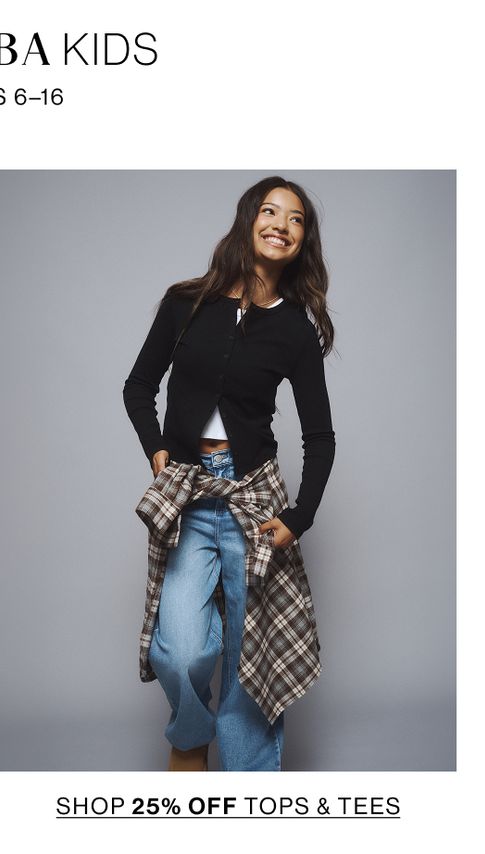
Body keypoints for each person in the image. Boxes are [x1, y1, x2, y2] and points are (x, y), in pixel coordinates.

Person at [123, 176, 336, 771]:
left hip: (255, 503)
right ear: (248, 220)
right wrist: (157, 449)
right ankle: (190, 739)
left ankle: (248, 794)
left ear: (303, 240)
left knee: (252, 657)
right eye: (270, 212)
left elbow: (319, 437)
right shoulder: (185, 303)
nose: (281, 225)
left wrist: (299, 518)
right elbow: (139, 386)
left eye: (296, 220)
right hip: (190, 498)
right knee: (180, 649)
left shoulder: (296, 329)